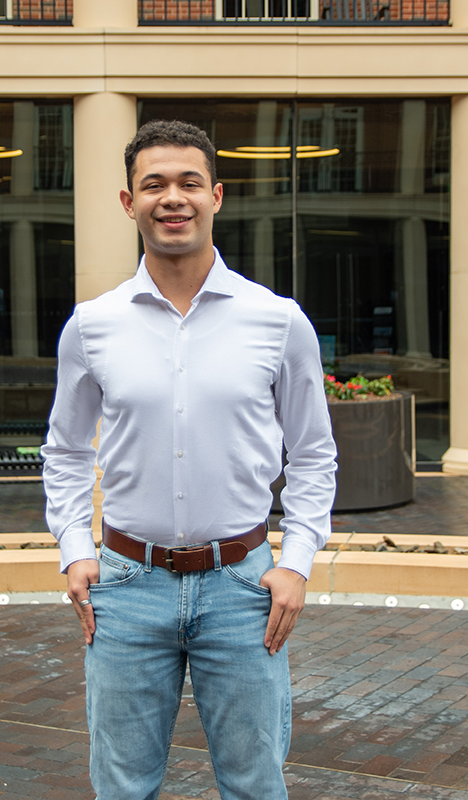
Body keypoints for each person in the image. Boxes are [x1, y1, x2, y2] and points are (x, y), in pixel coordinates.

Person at [42, 119, 337, 800]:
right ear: (128, 202)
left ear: (217, 196)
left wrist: (294, 564)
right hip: (123, 588)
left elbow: (315, 453)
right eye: (154, 185)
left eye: (188, 183)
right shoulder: (92, 325)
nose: (171, 198)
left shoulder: (278, 321)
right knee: (121, 787)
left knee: (254, 784)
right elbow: (62, 449)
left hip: (243, 589)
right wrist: (74, 547)